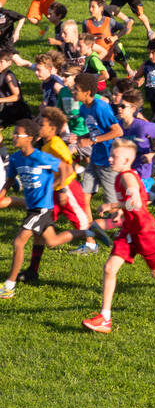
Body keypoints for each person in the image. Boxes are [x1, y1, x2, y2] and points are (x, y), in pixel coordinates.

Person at [0, 119, 103, 300]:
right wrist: (2, 194)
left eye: (18, 134)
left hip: (41, 209)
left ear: (30, 138)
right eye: (14, 132)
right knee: (53, 241)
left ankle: (9, 285)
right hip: (33, 208)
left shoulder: (41, 157)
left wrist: (61, 188)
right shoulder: (16, 158)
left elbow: (66, 168)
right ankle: (90, 231)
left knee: (18, 242)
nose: (13, 136)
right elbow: (9, 181)